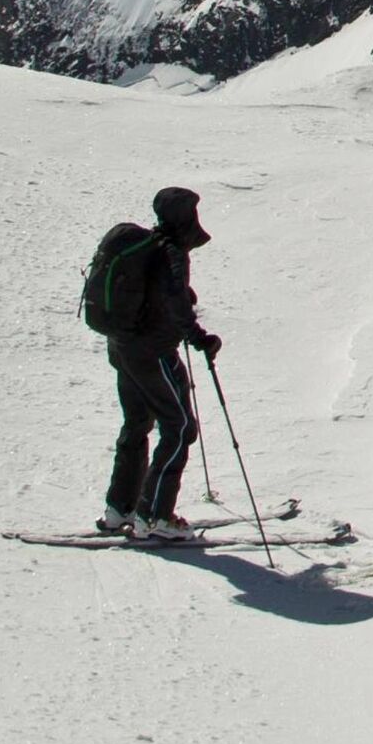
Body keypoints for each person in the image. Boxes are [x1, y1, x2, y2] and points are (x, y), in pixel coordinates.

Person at [101, 186, 221, 541]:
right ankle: (154, 517)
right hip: (153, 353)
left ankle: (119, 509)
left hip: (123, 348)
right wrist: (200, 338)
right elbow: (175, 302)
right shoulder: (170, 253)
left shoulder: (145, 248)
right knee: (179, 428)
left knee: (137, 422)